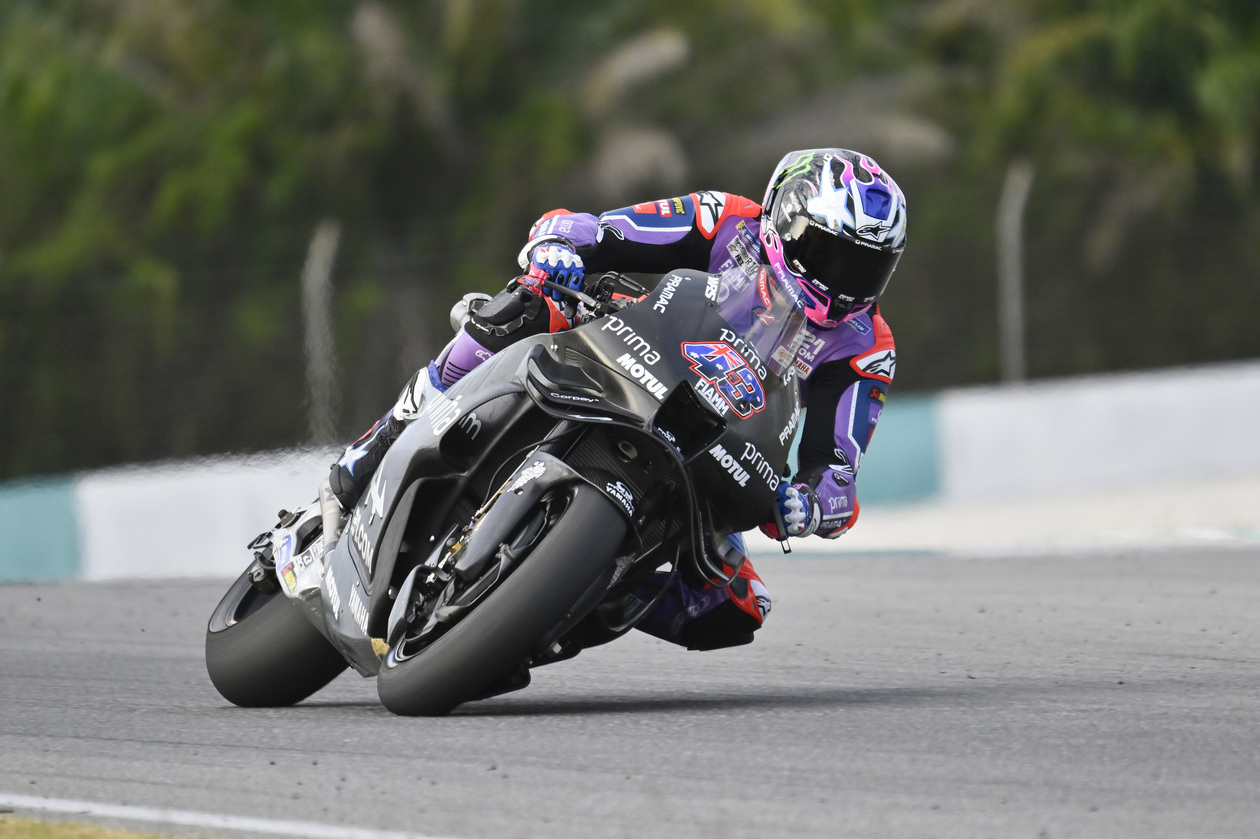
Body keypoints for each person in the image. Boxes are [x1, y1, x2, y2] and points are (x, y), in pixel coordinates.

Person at [323, 148, 906, 652]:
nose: (845, 281)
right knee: (528, 304)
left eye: (868, 267)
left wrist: (811, 504)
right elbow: (601, 231)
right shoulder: (727, 220)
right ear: (785, 219)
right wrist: (559, 245)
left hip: (714, 446)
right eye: (829, 254)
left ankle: (553, 610)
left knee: (736, 608)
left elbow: (838, 469)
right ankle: (386, 436)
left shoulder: (866, 346)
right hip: (625, 351)